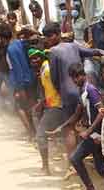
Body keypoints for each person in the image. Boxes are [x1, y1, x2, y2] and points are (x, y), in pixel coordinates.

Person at [43, 21, 104, 157]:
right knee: (86, 124)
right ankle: (90, 156)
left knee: (69, 128)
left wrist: (60, 92)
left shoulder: (53, 52)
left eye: (49, 36)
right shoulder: (73, 46)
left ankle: (73, 163)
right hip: (82, 90)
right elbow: (90, 52)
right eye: (46, 37)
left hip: (67, 92)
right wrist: (102, 52)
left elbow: (54, 77)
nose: (47, 40)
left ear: (57, 35)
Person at [66, 62, 104, 190]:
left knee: (75, 158)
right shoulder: (82, 90)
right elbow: (81, 110)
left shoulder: (91, 90)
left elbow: (102, 111)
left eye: (78, 76)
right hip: (93, 133)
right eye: (73, 78)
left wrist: (89, 130)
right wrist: (64, 126)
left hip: (95, 134)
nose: (76, 80)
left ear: (84, 75)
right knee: (101, 169)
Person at [30, 47, 64, 175]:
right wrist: (42, 102)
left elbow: (57, 86)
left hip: (56, 106)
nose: (34, 61)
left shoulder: (47, 69)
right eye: (32, 59)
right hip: (51, 105)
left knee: (40, 135)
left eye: (36, 58)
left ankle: (46, 168)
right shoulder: (43, 69)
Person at [6, 25, 36, 140]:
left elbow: (16, 69)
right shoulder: (26, 44)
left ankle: (32, 132)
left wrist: (19, 88)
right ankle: (36, 131)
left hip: (21, 83)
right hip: (31, 80)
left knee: (21, 107)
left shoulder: (11, 49)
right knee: (32, 106)